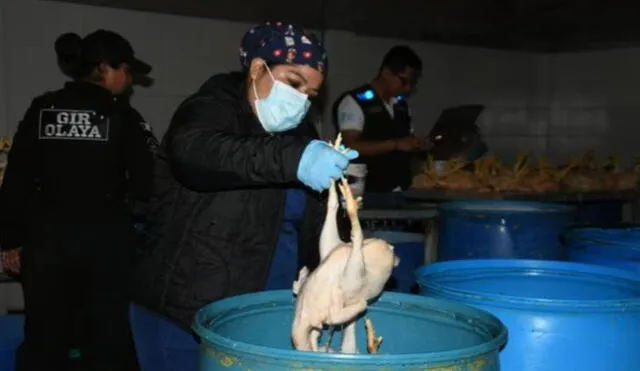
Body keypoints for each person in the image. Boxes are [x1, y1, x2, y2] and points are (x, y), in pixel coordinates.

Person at [131, 21, 357, 334]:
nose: (301, 100)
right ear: (256, 69)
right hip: (186, 313)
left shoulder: (301, 134)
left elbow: (314, 219)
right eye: (293, 83)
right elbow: (195, 153)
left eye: (311, 93)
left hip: (263, 313)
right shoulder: (212, 109)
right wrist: (295, 160)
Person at [0, 30, 154, 371]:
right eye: (127, 71)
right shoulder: (124, 118)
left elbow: (17, 177)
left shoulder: (43, 108)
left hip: (46, 245)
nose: (129, 81)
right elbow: (146, 184)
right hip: (105, 246)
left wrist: (10, 241)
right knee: (108, 340)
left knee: (44, 339)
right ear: (105, 68)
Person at [333, 45, 431, 193]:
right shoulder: (355, 101)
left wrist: (417, 145)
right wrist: (395, 144)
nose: (408, 88)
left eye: (412, 83)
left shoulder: (401, 106)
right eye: (404, 81)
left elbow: (406, 143)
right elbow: (350, 146)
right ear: (386, 73)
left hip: (400, 191)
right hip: (367, 191)